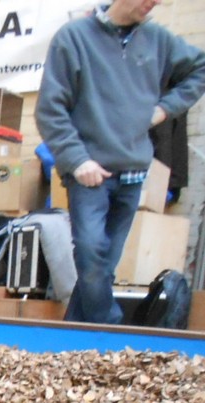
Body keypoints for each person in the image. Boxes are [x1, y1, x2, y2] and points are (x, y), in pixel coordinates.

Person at [36, 0, 205, 325]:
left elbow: (200, 68)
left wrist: (165, 108)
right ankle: (110, 329)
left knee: (102, 267)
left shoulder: (158, 39)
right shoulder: (74, 37)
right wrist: (77, 160)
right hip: (89, 174)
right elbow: (49, 109)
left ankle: (74, 337)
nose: (154, 2)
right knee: (91, 256)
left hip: (133, 172)